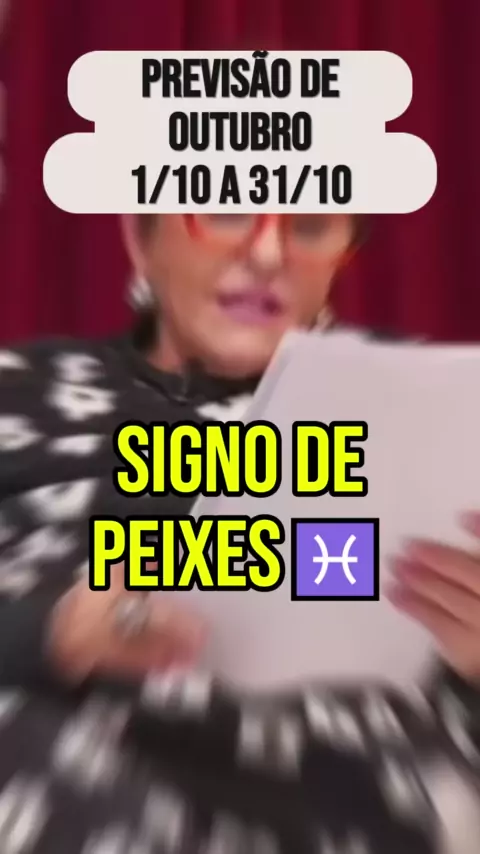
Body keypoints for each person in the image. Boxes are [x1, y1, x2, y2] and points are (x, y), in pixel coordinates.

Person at [0, 212, 479, 854]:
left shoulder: (435, 409)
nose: (268, 255)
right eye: (226, 214)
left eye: (310, 227)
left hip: (368, 802)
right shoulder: (20, 395)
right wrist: (54, 632)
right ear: (140, 236)